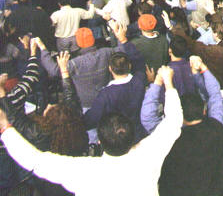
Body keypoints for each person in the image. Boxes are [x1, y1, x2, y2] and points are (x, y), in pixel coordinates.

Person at [0, 66, 183, 195]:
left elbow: (35, 161)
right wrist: (167, 81)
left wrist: (6, 128)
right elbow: (174, 121)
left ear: (99, 142)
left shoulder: (84, 170)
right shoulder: (150, 152)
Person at [0, 49, 87, 195]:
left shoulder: (40, 133)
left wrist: (2, 94)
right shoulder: (73, 123)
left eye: (50, 108)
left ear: (49, 120)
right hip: (72, 176)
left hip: (48, 182)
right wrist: (64, 71)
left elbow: (16, 120)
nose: (48, 105)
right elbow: (70, 98)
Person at [157, 57, 223, 195]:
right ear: (204, 111)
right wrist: (203, 68)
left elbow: (147, 118)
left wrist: (163, 82)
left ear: (181, 117)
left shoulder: (172, 138)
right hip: (213, 190)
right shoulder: (216, 127)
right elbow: (215, 95)